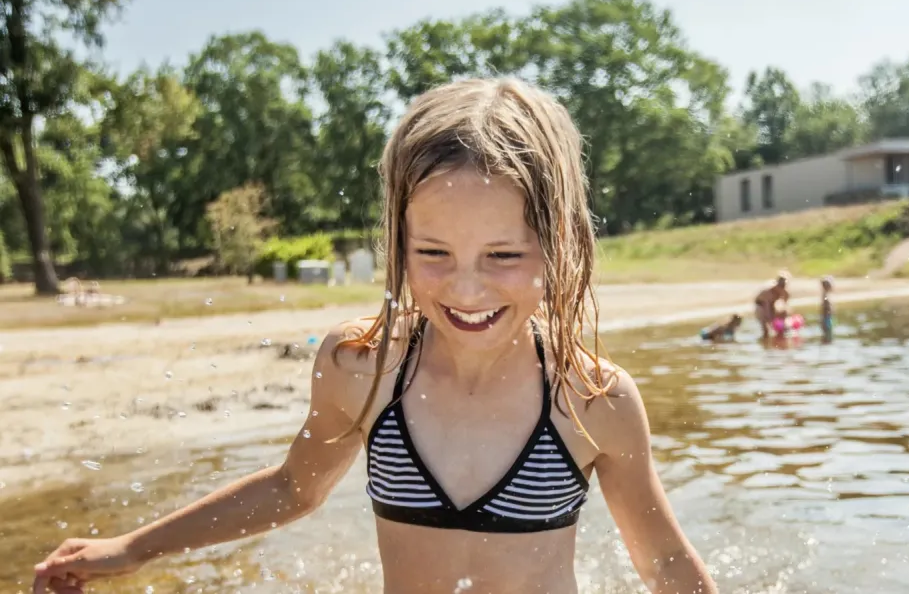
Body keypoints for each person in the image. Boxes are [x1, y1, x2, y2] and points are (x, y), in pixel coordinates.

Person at [31, 78, 718, 594]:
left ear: (560, 242)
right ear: (398, 241)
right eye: (434, 254)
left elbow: (660, 562)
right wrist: (131, 548)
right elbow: (292, 489)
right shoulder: (364, 369)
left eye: (503, 256)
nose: (467, 289)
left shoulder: (593, 399)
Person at [753, 271, 791, 339]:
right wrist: (771, 320)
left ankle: (778, 341)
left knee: (782, 324)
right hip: (760, 306)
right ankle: (766, 342)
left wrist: (784, 320)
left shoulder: (785, 292)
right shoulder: (768, 291)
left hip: (771, 305)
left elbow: (786, 306)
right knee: (766, 329)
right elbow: (766, 309)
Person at [819, 275, 834, 340]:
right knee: (828, 334)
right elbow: (826, 307)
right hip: (827, 319)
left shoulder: (825, 294)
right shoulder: (826, 296)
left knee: (827, 333)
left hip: (826, 318)